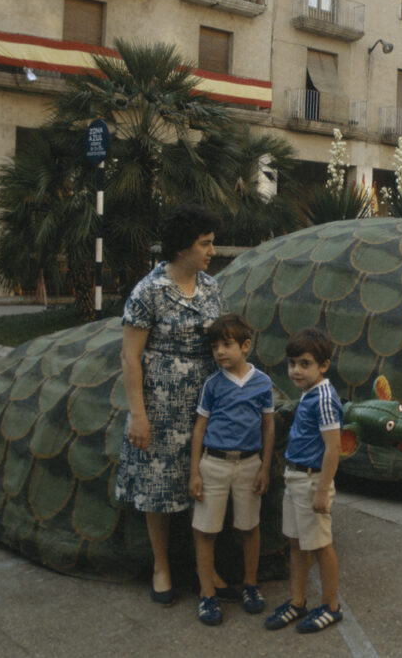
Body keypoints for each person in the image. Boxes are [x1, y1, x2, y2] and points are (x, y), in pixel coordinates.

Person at [116, 204, 227, 606]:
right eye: (205, 244)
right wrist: (139, 415)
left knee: (205, 481)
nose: (211, 251)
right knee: (159, 488)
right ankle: (161, 567)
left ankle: (204, 567)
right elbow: (130, 357)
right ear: (182, 248)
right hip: (161, 407)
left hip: (205, 403)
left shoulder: (211, 288)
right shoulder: (149, 291)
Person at [189, 313, 275, 626]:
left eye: (227, 344)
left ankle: (250, 585)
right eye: (215, 347)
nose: (220, 352)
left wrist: (265, 468)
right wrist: (195, 472)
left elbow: (268, 427)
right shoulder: (212, 385)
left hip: (250, 464)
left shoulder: (263, 382)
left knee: (249, 527)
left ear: (245, 345)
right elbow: (200, 427)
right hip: (214, 464)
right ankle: (207, 594)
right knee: (206, 530)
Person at [266, 327, 344, 633]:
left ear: (323, 365)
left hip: (312, 481)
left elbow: (333, 447)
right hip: (295, 477)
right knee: (297, 544)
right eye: (292, 363)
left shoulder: (324, 397)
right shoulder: (309, 391)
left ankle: (331, 606)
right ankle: (297, 601)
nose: (296, 370)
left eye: (305, 364)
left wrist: (322, 490)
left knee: (321, 546)